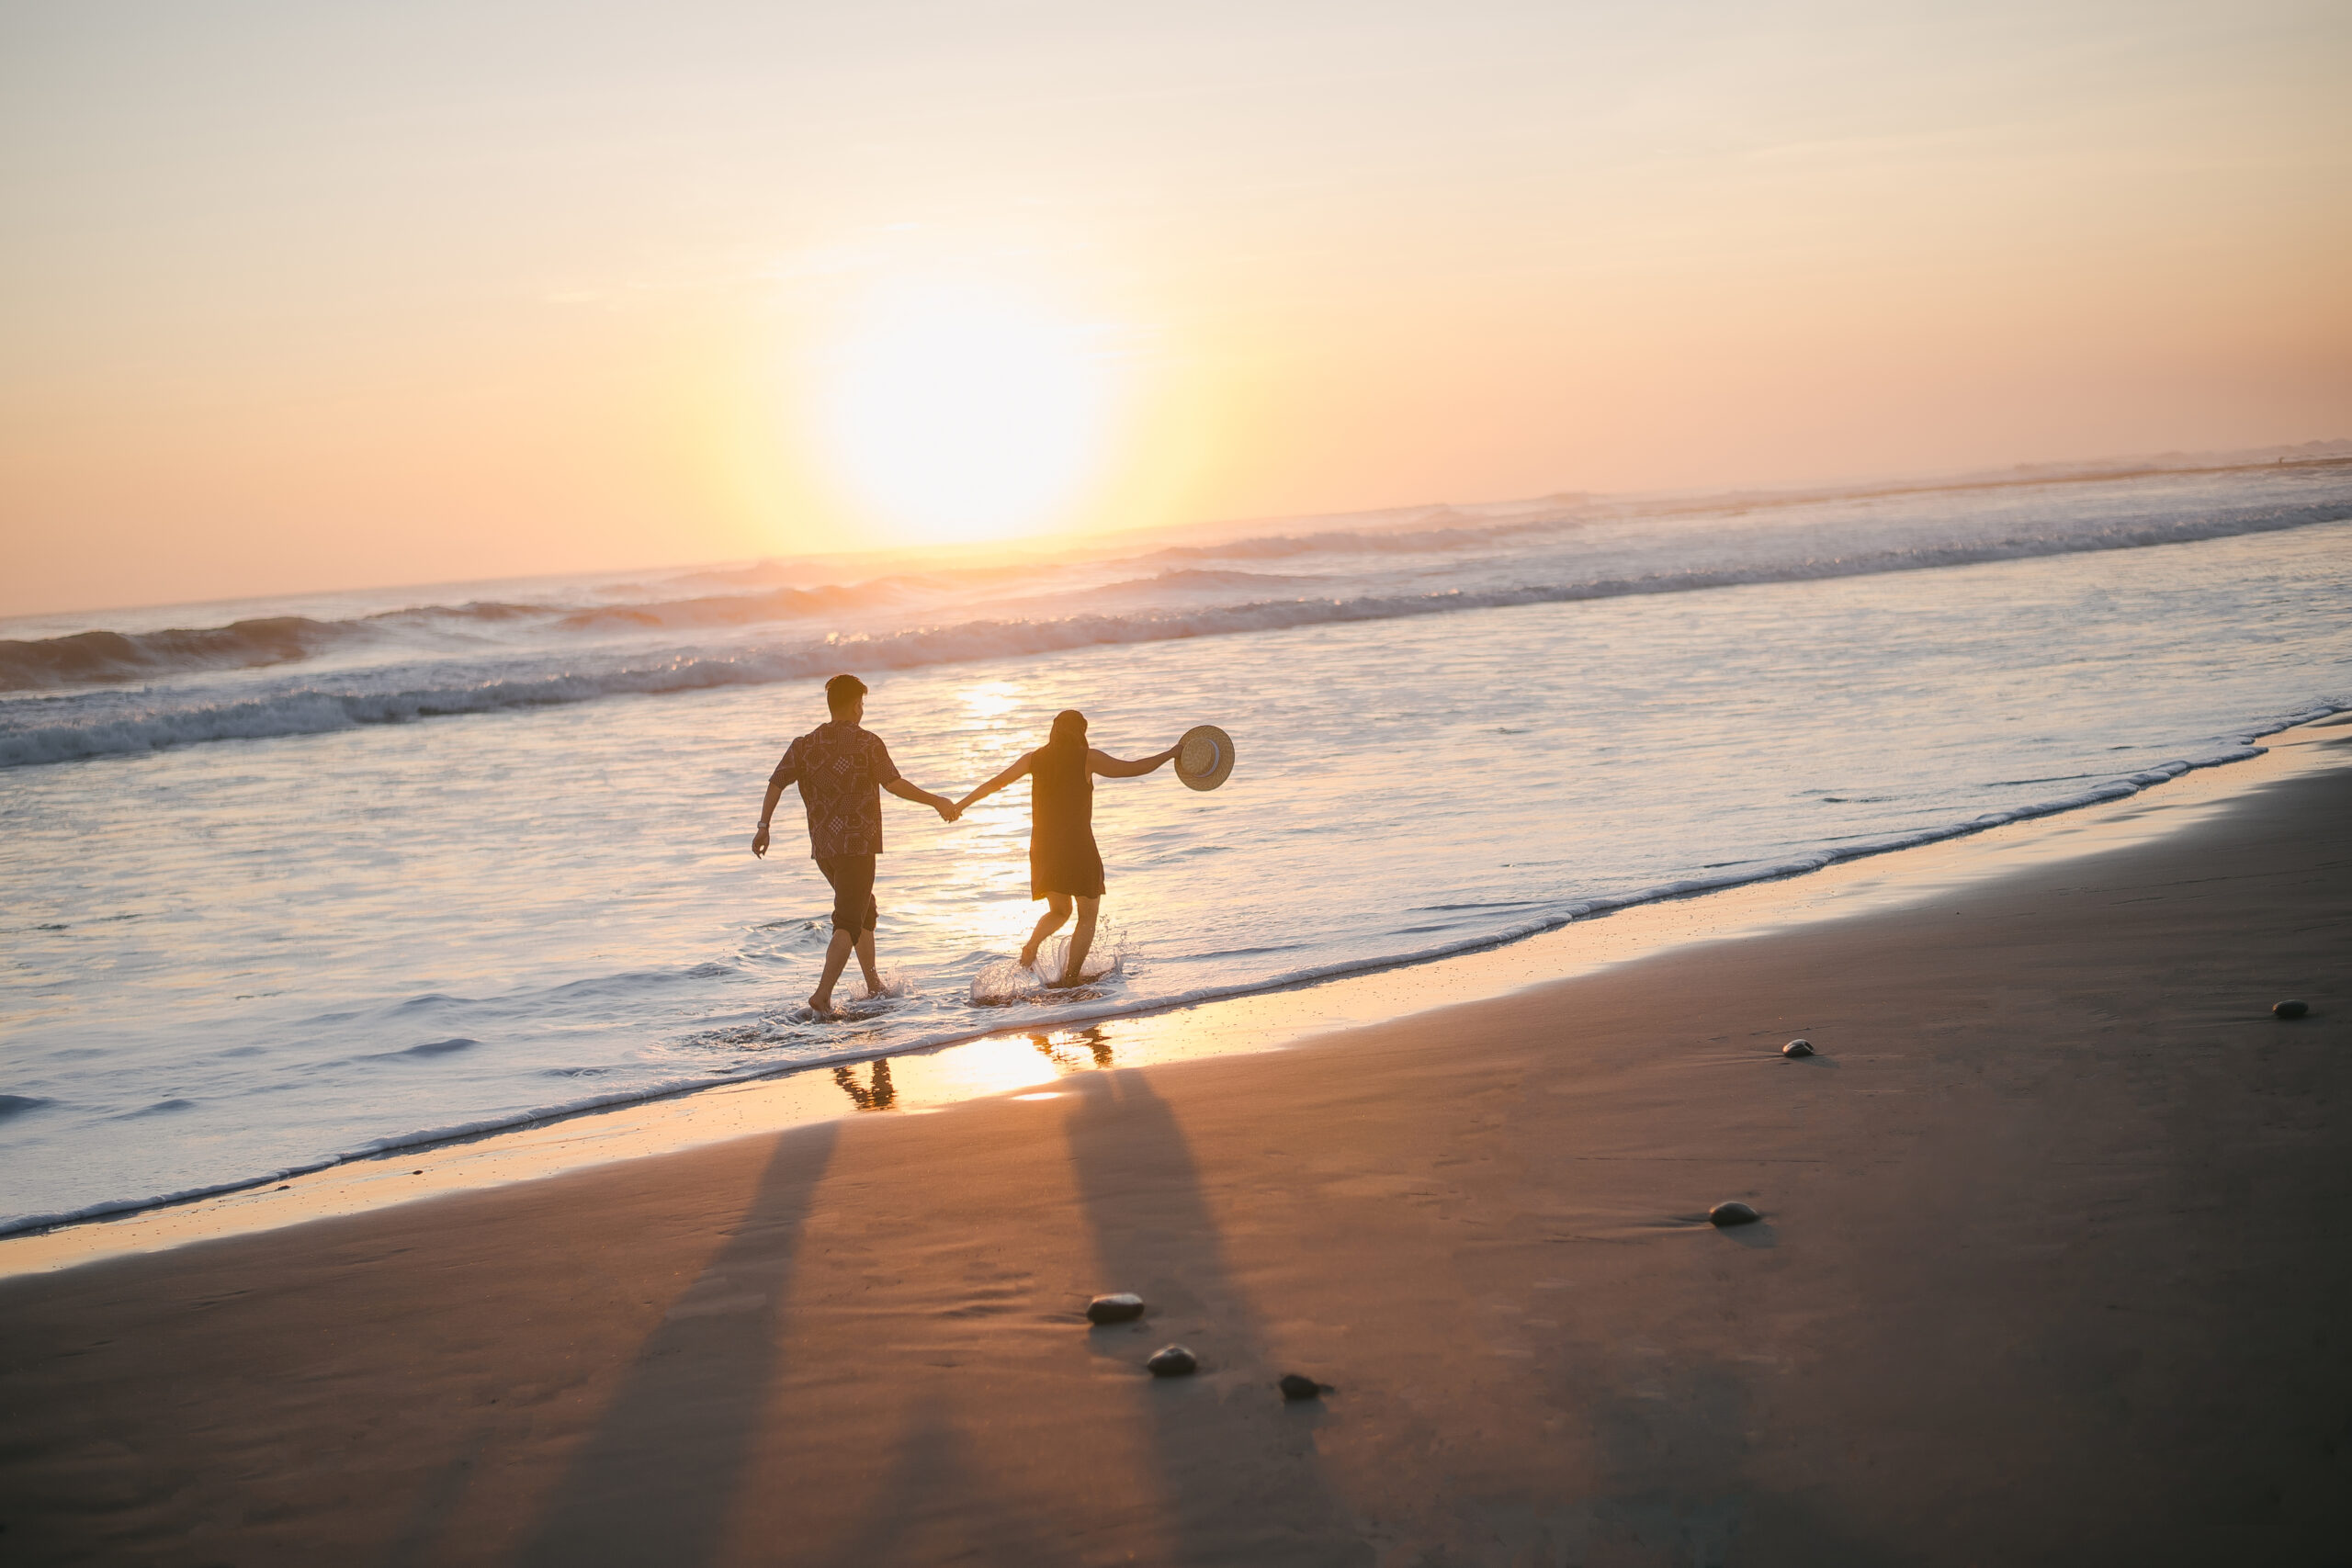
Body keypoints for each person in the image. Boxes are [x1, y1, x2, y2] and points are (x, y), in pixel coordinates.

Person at [753, 673, 960, 1017]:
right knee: (849, 919)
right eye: (861, 703)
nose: (862, 709)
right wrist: (936, 801)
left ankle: (873, 985)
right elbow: (894, 784)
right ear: (855, 705)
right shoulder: (866, 743)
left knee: (865, 908)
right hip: (858, 846)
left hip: (824, 850)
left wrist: (764, 827)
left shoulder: (804, 744)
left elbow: (776, 783)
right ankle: (822, 996)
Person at [956, 710, 1177, 987]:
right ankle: (1070, 977)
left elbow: (995, 783)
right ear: (1080, 732)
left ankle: (1032, 945)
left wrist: (959, 805)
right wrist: (1171, 753)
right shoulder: (1088, 758)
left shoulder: (1033, 759)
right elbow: (1133, 768)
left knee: (1060, 911)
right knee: (1087, 915)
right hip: (1077, 846)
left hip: (1044, 848)